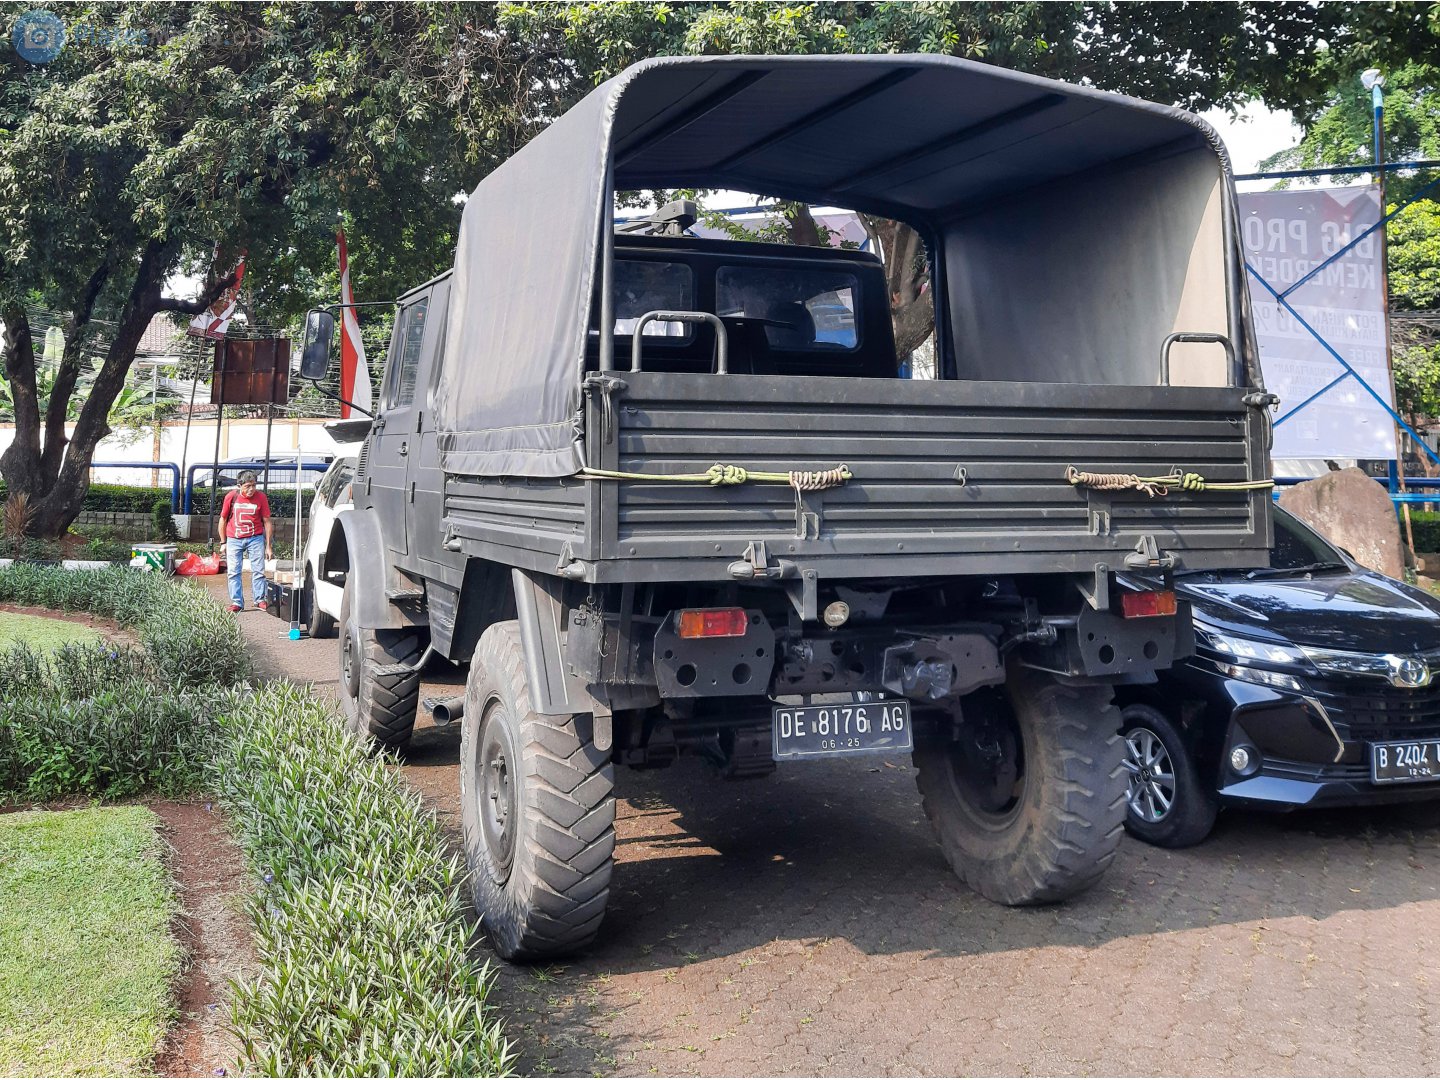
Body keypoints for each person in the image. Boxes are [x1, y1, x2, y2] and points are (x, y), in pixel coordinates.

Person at [218, 470, 273, 612]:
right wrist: (223, 542)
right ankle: (237, 602)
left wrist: (268, 546)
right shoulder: (231, 497)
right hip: (234, 539)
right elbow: (223, 519)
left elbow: (267, 521)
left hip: (255, 538)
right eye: (248, 486)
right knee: (233, 572)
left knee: (258, 571)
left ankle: (259, 599)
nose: (251, 489)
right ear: (239, 486)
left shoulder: (261, 497)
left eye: (254, 485)